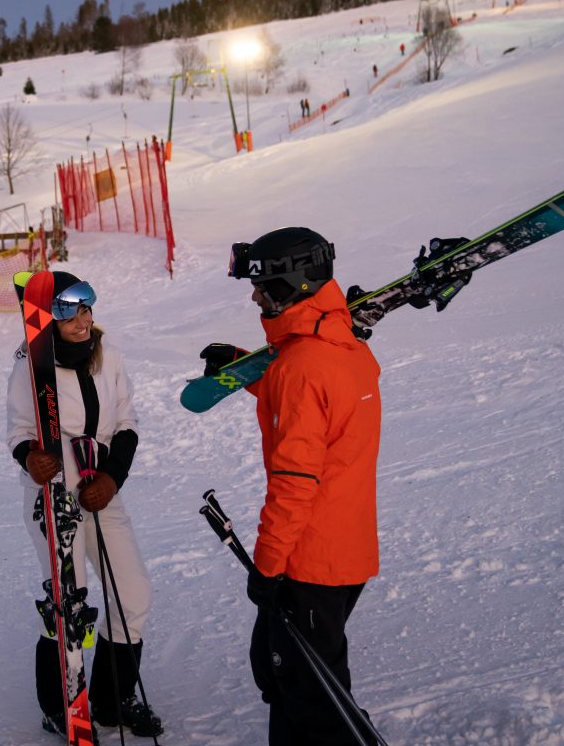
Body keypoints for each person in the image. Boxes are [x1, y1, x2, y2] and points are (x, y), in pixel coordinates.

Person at [201, 229, 382, 745]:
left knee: (312, 696)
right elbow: (315, 397)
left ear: (291, 285)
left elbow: (295, 483)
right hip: (344, 550)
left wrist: (268, 566)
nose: (254, 298)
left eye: (261, 287)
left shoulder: (302, 367)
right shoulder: (345, 347)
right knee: (279, 670)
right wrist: (247, 367)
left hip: (309, 558)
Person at [7, 272, 162, 738]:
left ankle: (113, 701)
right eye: (69, 313)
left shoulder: (106, 353)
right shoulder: (31, 365)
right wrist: (30, 457)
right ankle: (60, 706)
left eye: (87, 309)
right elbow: (19, 431)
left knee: (132, 594)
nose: (83, 321)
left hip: (100, 484)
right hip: (54, 492)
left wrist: (113, 478)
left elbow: (127, 423)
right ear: (48, 320)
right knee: (68, 603)